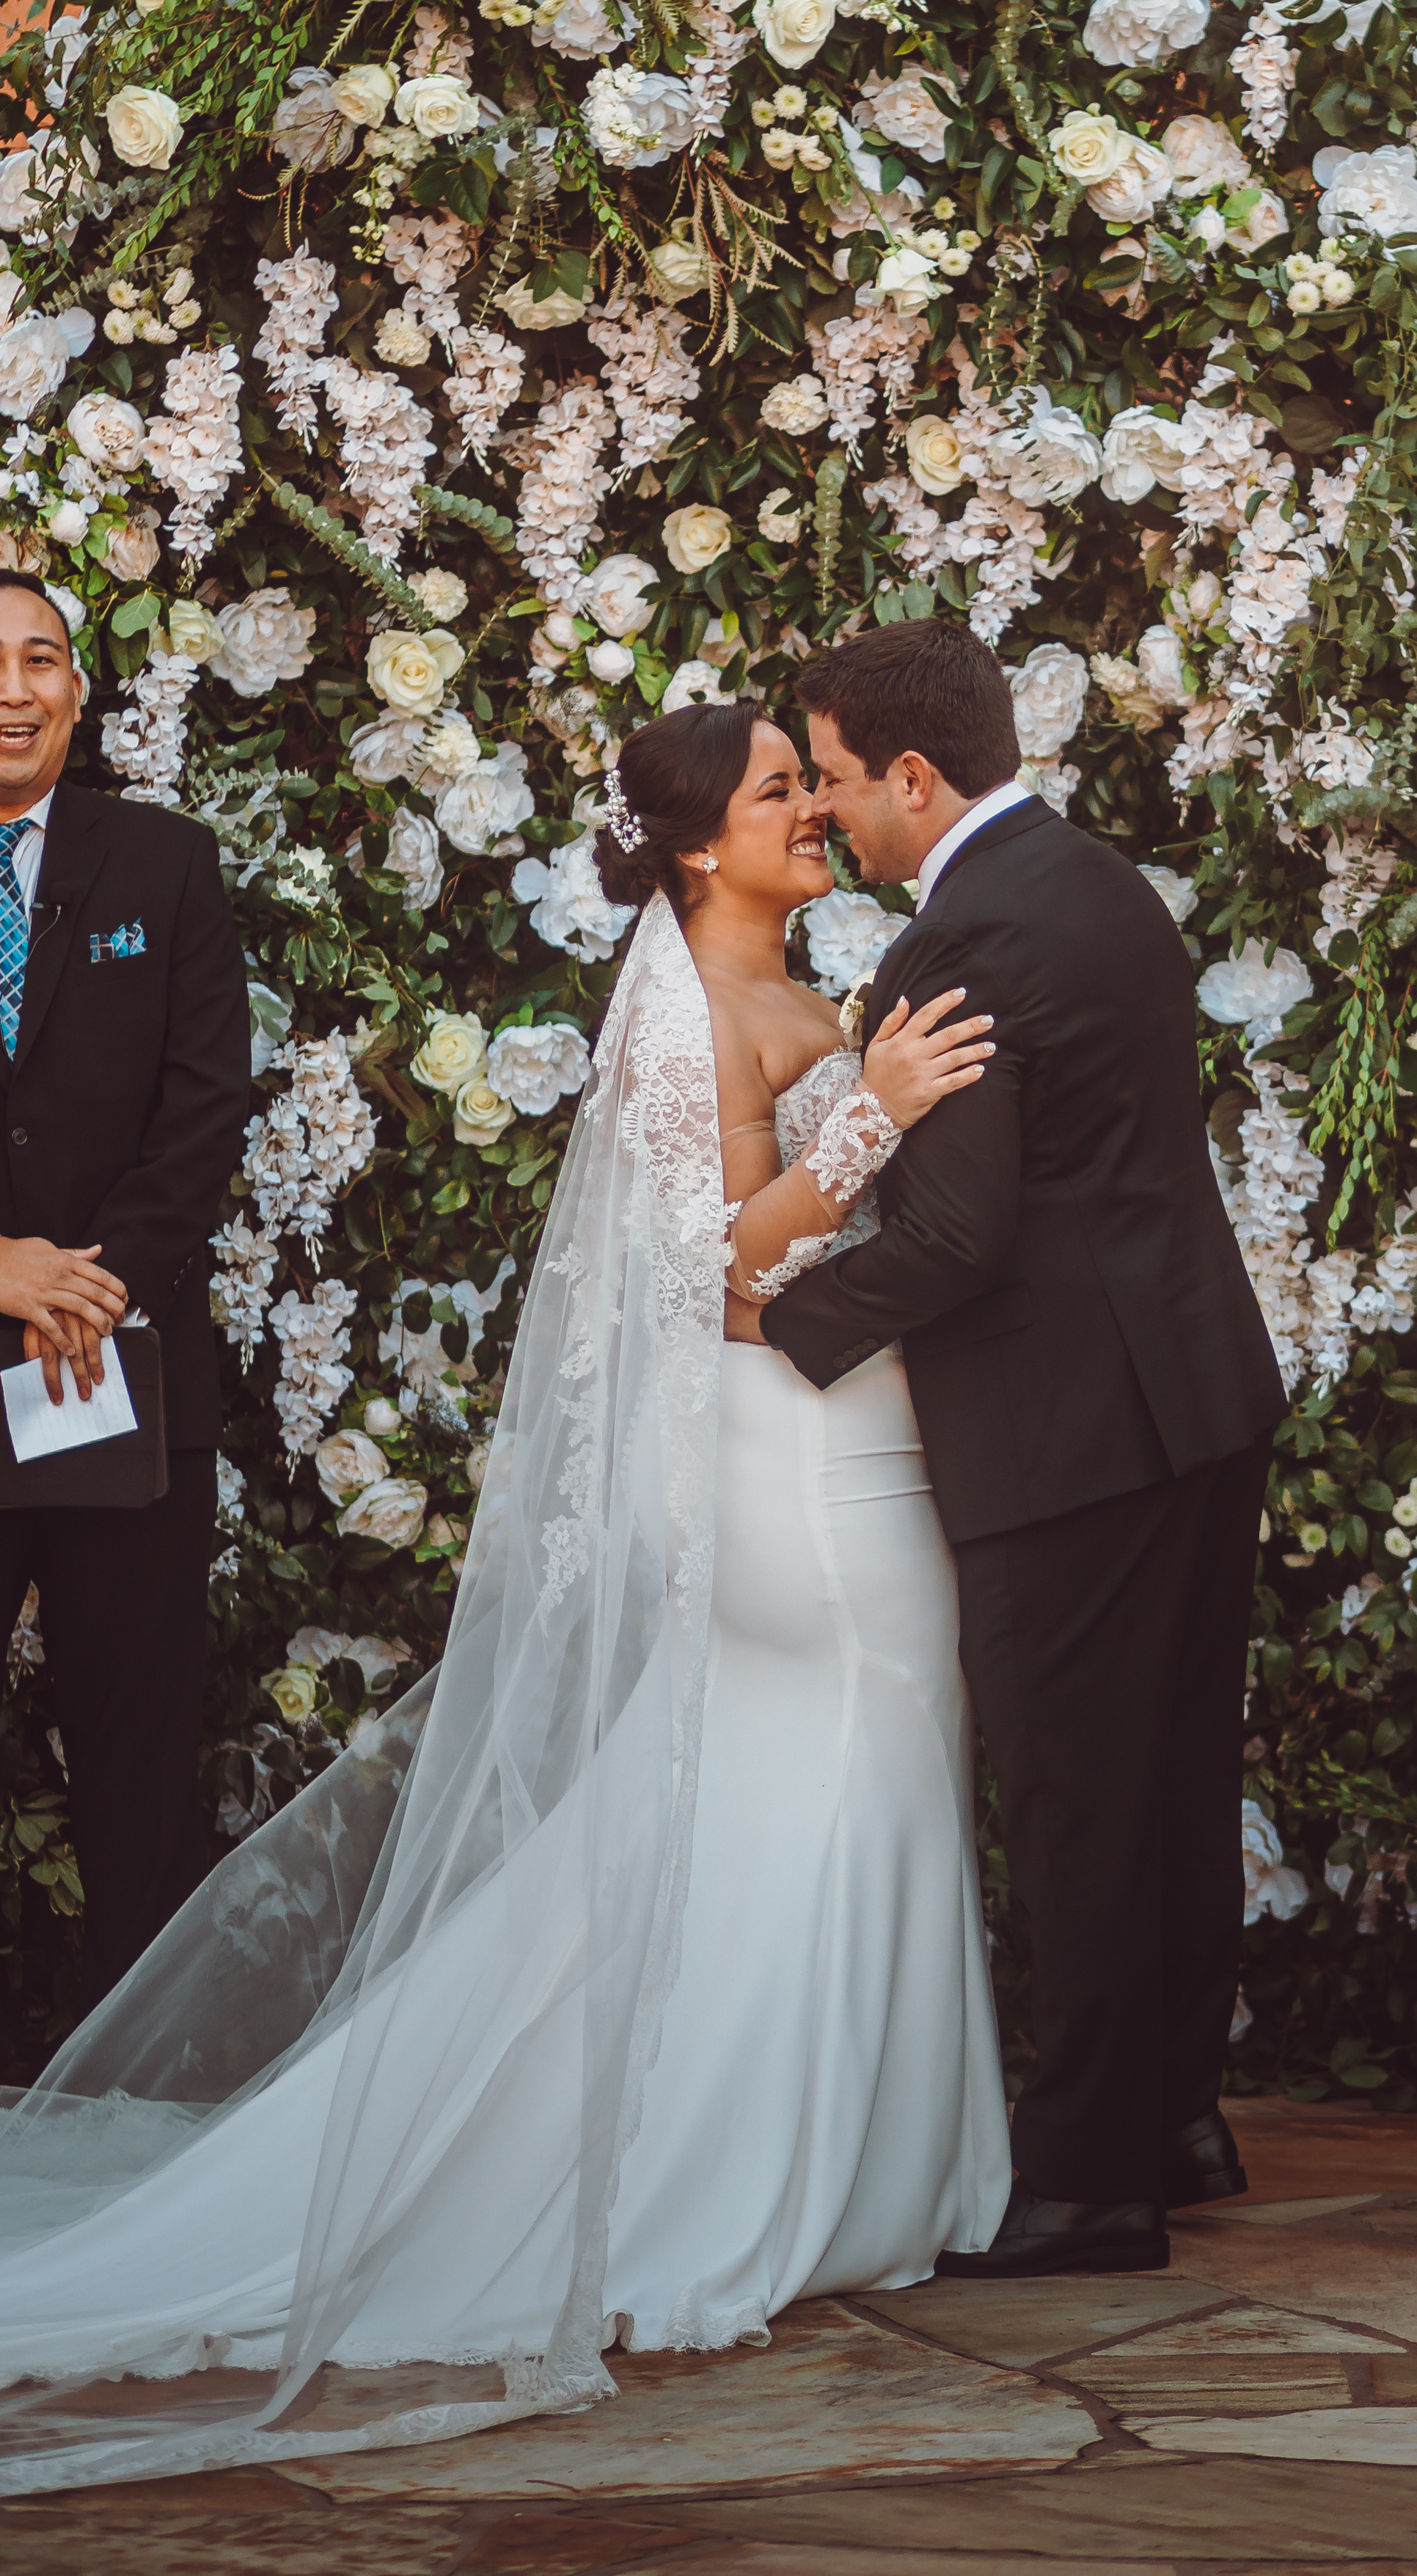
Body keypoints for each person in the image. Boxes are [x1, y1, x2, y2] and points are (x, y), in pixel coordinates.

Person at [0, 699, 1008, 2493]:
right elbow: (705, 1265)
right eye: (781, 790)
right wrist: (872, 1129)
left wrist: (877, 1103)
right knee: (828, 1754)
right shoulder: (686, 1016)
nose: (811, 810)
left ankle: (866, 2155)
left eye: (807, 783)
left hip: (860, 1422)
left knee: (846, 1774)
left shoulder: (817, 988)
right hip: (768, 1449)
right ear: (701, 842)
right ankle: (719, 2172)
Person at [748, 619, 1287, 2279]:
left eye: (836, 780)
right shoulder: (1102, 882)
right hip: (1194, 1397)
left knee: (1078, 1802)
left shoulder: (955, 947)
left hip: (1074, 1433)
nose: (831, 813)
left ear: (916, 775)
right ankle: (1177, 2118)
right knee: (1175, 1784)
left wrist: (773, 1317)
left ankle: (1086, 2182)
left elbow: (961, 1235)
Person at [0, 571, 252, 2010]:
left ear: (81, 694)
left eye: (44, 659)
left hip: (121, 1379)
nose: (15, 687)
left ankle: (135, 2098)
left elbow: (206, 1105)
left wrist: (82, 1289)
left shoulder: (162, 865)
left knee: (138, 1748)